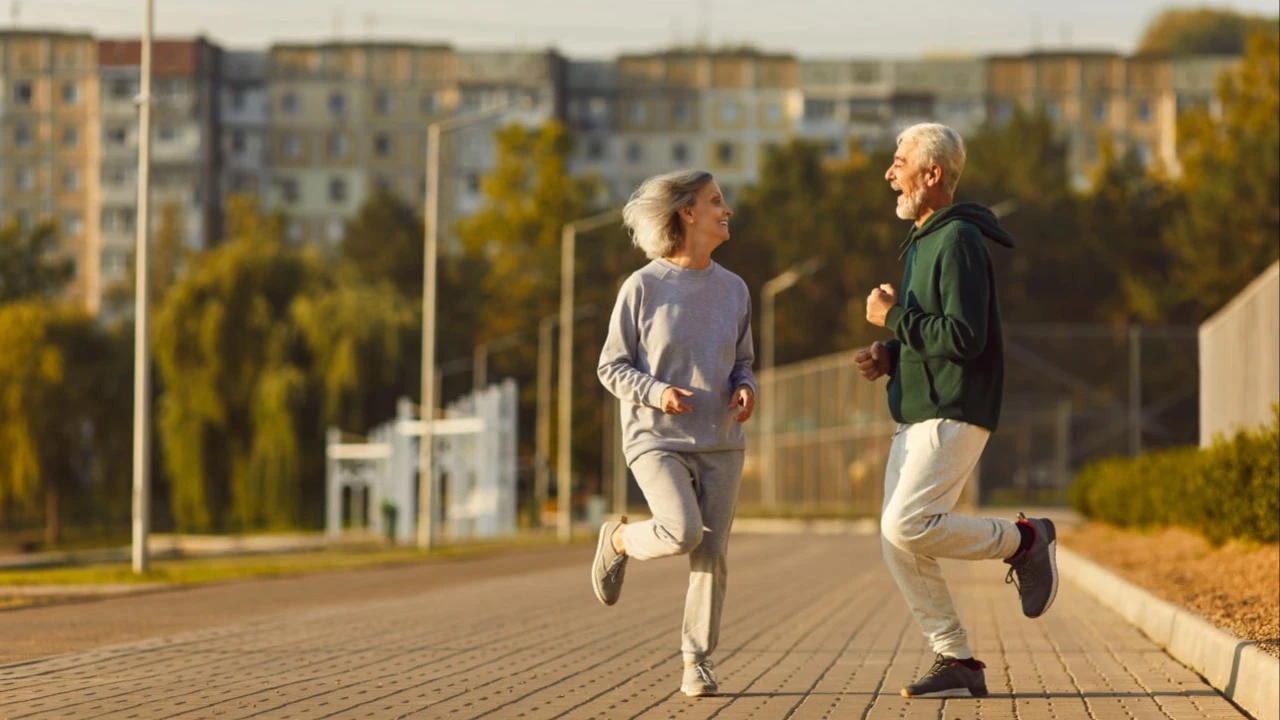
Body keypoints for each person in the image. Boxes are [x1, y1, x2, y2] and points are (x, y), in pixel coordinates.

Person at [856, 122, 1058, 699]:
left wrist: (893, 318)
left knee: (906, 524)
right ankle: (958, 659)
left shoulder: (959, 240)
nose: (889, 173)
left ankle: (1024, 540)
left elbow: (966, 337)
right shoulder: (924, 239)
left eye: (899, 163)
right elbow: (937, 331)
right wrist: (891, 353)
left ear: (932, 173)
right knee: (898, 541)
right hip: (919, 409)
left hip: (954, 407)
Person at [593, 169, 757, 698]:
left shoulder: (734, 289)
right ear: (687, 213)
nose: (727, 210)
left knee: (712, 554)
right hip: (656, 439)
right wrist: (656, 392)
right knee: (682, 531)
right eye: (716, 201)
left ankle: (696, 662)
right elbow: (611, 367)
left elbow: (744, 360)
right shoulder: (643, 286)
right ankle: (619, 540)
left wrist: (745, 387)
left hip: (722, 441)